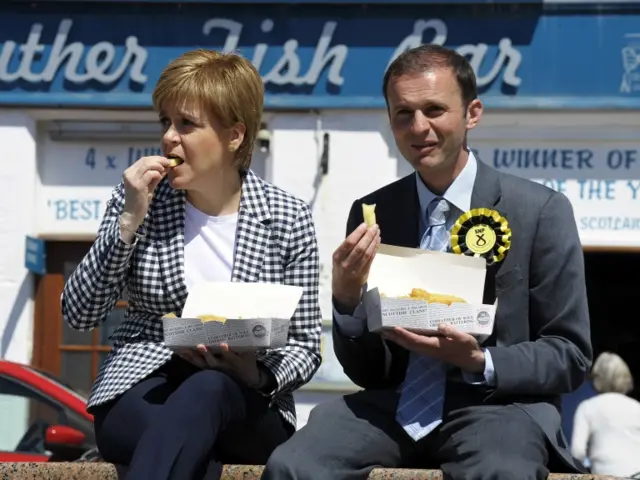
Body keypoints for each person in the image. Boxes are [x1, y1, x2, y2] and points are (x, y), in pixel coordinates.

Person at [262, 44, 593, 480]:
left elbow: (569, 355)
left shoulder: (541, 210)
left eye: (434, 110)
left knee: (503, 470)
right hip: (393, 407)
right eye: (403, 114)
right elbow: (366, 370)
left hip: (497, 408)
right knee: (291, 465)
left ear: (472, 113)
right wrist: (345, 301)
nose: (419, 128)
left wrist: (479, 360)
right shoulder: (372, 213)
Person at [61, 49, 323, 480]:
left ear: (234, 135)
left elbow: (306, 345)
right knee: (187, 443)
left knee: (209, 389)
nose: (168, 138)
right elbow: (79, 312)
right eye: (165, 122)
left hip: (246, 397)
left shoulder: (287, 216)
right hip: (144, 382)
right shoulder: (137, 201)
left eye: (187, 124)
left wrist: (254, 373)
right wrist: (129, 222)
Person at [571, 352, 640, 477]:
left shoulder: (587, 407)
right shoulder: (637, 407)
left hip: (605, 476)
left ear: (597, 378)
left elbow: (577, 452)